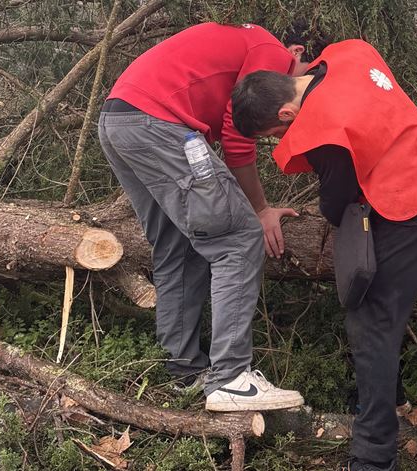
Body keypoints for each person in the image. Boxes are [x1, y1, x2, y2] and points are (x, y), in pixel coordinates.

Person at [231, 39, 417, 471]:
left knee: (370, 317)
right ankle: (387, 395)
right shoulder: (346, 53)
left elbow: (335, 203)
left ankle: (374, 455)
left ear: (285, 113)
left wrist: (329, 208)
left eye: (274, 136)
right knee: (382, 308)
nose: (281, 140)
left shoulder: (324, 128)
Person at [98, 22, 315, 412]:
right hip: (159, 123)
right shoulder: (273, 56)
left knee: (177, 243)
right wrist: (260, 210)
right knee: (237, 237)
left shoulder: (248, 44)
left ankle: (184, 368)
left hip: (119, 120)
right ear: (297, 53)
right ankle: (231, 378)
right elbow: (236, 137)